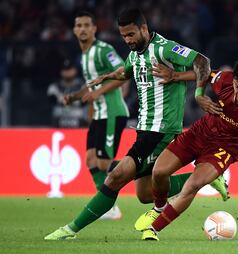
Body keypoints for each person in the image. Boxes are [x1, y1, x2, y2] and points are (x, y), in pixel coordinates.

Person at [44, 8, 228, 240]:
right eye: (123, 36)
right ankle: (207, 177)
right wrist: (109, 77)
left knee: (115, 177)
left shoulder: (165, 48)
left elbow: (203, 62)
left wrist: (199, 93)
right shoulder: (135, 54)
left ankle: (70, 230)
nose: (127, 40)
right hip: (144, 130)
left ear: (144, 28)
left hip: (160, 130)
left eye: (131, 34)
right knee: (144, 194)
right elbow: (127, 72)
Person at [136, 56, 238, 241]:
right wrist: (184, 82)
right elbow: (203, 73)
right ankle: (159, 207)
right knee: (158, 172)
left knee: (192, 186)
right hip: (198, 133)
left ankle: (152, 230)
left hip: (223, 149)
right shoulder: (225, 79)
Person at [63, 11, 130, 220]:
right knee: (90, 159)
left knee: (103, 163)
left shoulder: (103, 50)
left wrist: (98, 93)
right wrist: (75, 97)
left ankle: (145, 169)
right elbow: (92, 85)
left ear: (94, 29)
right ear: (74, 30)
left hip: (112, 113)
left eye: (86, 25)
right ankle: (107, 205)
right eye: (78, 25)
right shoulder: (84, 56)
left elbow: (124, 73)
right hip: (100, 115)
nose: (82, 29)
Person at [47, 59, 87, 128]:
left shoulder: (82, 86)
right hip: (58, 122)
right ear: (61, 72)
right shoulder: (54, 86)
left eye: (70, 69)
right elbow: (52, 99)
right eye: (65, 70)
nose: (67, 72)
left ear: (75, 70)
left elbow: (84, 101)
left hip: (79, 122)